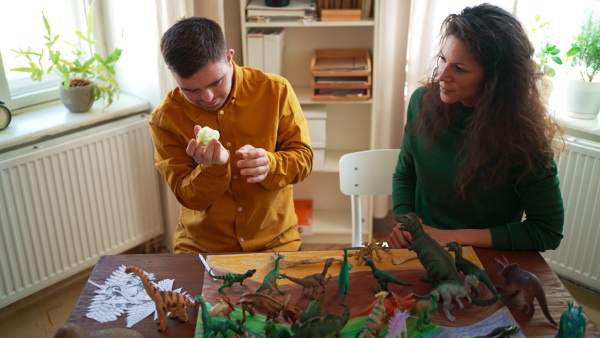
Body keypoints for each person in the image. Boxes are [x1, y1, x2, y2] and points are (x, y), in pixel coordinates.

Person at [388, 4, 564, 252]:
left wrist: (453, 237)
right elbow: (405, 174)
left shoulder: (523, 137)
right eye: (442, 59)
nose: (441, 76)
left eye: (459, 69)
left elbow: (547, 231)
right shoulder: (421, 102)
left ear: (495, 81)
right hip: (423, 244)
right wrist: (406, 221)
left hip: (486, 255)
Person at [149, 17, 313, 253]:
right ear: (171, 73)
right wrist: (212, 169)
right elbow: (189, 198)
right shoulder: (165, 119)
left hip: (275, 241)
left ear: (229, 57)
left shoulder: (275, 91)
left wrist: (271, 164)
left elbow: (304, 159)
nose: (207, 98)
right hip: (202, 246)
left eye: (216, 82)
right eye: (190, 90)